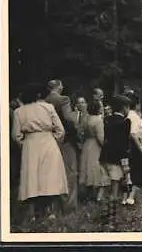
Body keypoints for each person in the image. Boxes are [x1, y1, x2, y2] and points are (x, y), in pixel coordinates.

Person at [12, 83, 68, 220]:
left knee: (32, 177)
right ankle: (51, 211)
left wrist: (24, 145)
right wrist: (53, 140)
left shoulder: (19, 111)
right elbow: (60, 130)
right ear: (38, 95)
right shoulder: (48, 107)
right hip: (48, 142)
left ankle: (32, 213)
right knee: (50, 176)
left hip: (30, 145)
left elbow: (16, 136)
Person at [45, 79, 79, 212]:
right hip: (65, 140)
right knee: (70, 172)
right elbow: (68, 119)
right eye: (62, 85)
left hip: (49, 139)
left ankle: (53, 206)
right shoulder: (64, 99)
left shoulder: (44, 101)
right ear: (59, 87)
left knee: (51, 172)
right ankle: (69, 205)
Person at [99, 95, 131, 223]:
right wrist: (125, 164)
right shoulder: (125, 122)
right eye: (128, 107)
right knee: (115, 188)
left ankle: (104, 212)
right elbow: (124, 144)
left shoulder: (106, 120)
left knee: (106, 186)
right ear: (124, 108)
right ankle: (112, 217)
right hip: (117, 159)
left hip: (104, 157)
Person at [79, 100, 110, 202]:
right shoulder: (98, 120)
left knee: (87, 167)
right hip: (95, 146)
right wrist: (106, 145)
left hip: (87, 144)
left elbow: (81, 133)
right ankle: (97, 196)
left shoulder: (85, 119)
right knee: (96, 167)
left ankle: (88, 193)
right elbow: (100, 138)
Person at [123, 93, 142, 205]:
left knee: (127, 171)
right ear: (137, 104)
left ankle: (125, 196)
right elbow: (133, 134)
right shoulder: (134, 117)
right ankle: (130, 197)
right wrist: (141, 149)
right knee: (135, 170)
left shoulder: (127, 115)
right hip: (135, 145)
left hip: (128, 145)